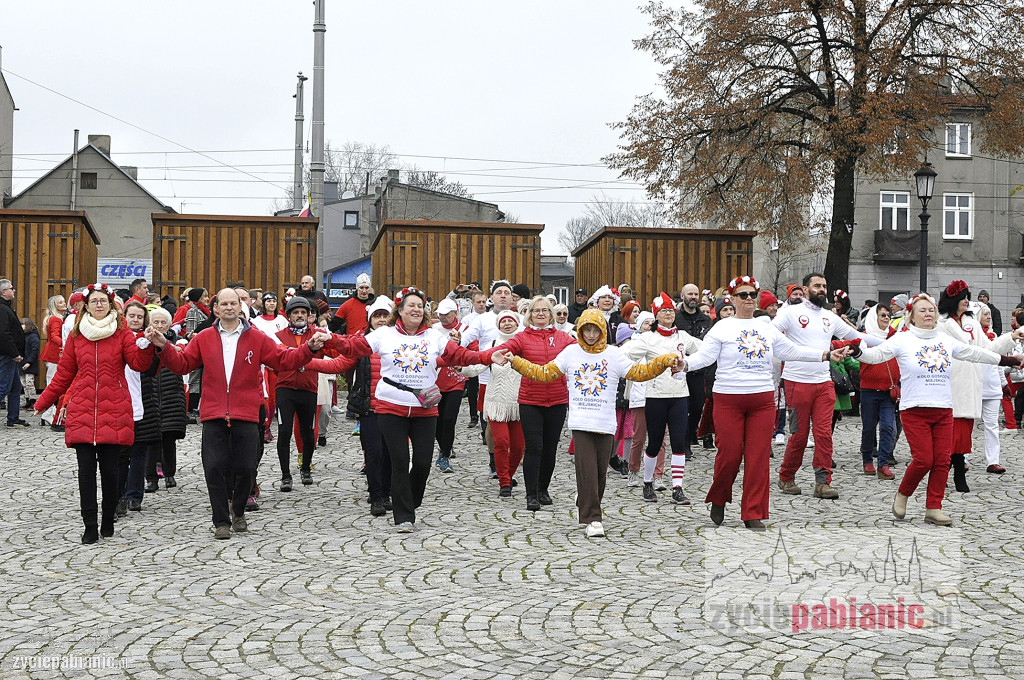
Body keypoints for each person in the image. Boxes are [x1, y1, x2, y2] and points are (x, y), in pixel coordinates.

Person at [144, 288, 328, 539]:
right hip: (214, 413)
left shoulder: (258, 338)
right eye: (224, 303)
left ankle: (238, 509)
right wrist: (164, 345)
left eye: (234, 303)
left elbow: (284, 360)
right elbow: (182, 363)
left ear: (241, 308)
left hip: (246, 411)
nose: (229, 307)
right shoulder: (204, 337)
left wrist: (309, 349)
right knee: (214, 467)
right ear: (216, 308)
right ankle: (221, 520)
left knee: (246, 467)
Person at [317, 287, 500, 531]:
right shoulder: (384, 335)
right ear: (400, 311)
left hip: (425, 409)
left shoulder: (434, 337)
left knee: (423, 464)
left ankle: (410, 500)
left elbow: (461, 355)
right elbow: (353, 348)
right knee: (400, 461)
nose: (415, 309)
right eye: (410, 305)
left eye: (419, 306)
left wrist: (489, 356)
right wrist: (332, 339)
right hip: (391, 407)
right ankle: (404, 516)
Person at [679, 276, 846, 529]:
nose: (748, 299)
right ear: (733, 299)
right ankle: (719, 497)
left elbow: (791, 350)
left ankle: (753, 512)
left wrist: (824, 354)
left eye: (752, 295)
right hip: (729, 398)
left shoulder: (766, 326)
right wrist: (686, 364)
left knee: (758, 458)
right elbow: (705, 356)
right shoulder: (723, 327)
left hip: (762, 400)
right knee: (730, 456)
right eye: (743, 295)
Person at [503, 308, 680, 537]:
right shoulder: (570, 353)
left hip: (605, 423)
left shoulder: (614, 354)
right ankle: (593, 519)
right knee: (586, 469)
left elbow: (639, 372)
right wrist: (516, 362)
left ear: (602, 331)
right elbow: (544, 373)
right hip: (581, 422)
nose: (590, 335)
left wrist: (664, 361)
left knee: (599, 474)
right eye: (586, 330)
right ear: (580, 330)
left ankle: (586, 498)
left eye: (595, 330)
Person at [854, 293, 1022, 526]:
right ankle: (902, 494)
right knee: (923, 459)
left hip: (943, 409)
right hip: (914, 409)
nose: (928, 314)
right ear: (911, 316)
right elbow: (876, 355)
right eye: (922, 310)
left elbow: (975, 353)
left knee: (943, 460)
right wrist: (857, 352)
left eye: (931, 310)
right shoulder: (903, 339)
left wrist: (1007, 360)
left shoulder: (944, 340)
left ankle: (934, 507)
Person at [33, 284, 155, 543]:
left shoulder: (122, 335)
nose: (99, 305)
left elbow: (138, 364)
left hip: (115, 409)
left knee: (111, 473)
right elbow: (64, 375)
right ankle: (89, 524)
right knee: (86, 473)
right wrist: (43, 402)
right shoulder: (77, 337)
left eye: (103, 301)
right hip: (83, 410)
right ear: (85, 306)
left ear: (111, 305)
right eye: (94, 301)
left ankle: (108, 517)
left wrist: (145, 346)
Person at [772, 273, 881, 500]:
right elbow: (771, 336)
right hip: (797, 381)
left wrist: (895, 342)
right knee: (800, 435)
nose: (822, 289)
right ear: (806, 288)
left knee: (823, 434)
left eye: (824, 286)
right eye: (817, 286)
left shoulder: (829, 317)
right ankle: (786, 476)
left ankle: (823, 482)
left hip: (823, 382)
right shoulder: (789, 313)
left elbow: (856, 336)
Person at [488, 296, 576, 511]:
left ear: (551, 314)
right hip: (530, 401)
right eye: (536, 310)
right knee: (534, 447)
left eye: (545, 310)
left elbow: (584, 352)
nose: (540, 314)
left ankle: (543, 488)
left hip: (556, 400)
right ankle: (531, 493)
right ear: (529, 315)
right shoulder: (521, 338)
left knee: (550, 449)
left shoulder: (563, 338)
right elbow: (503, 349)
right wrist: (483, 356)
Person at [936, 280, 1017, 492]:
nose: (966, 301)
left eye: (967, 297)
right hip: (949, 382)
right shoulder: (941, 323)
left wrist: (1011, 337)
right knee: (946, 435)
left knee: (963, 435)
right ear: (953, 300)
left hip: (970, 383)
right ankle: (943, 474)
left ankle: (959, 474)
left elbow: (988, 348)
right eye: (962, 297)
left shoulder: (971, 323)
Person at [626, 292, 702, 504]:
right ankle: (648, 482)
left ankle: (677, 486)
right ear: (656, 315)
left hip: (679, 396)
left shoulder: (683, 337)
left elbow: (705, 351)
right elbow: (626, 354)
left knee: (678, 443)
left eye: (671, 310)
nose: (668, 314)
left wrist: (689, 363)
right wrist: (640, 371)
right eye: (664, 311)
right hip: (655, 396)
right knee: (654, 442)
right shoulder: (648, 338)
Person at [461, 310, 525, 496]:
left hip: (518, 403)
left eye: (510, 321)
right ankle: (504, 482)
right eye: (503, 321)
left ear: (516, 324)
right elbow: (476, 365)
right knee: (502, 441)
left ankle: (509, 474)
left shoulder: (523, 345)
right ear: (498, 325)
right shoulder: (492, 344)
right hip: (496, 402)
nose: (507, 324)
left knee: (519, 446)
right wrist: (460, 367)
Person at [274, 296, 323, 490]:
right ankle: (285, 475)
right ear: (289, 316)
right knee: (284, 431)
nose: (300, 315)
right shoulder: (278, 336)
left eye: (303, 312)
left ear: (309, 315)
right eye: (296, 312)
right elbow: (274, 360)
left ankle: (306, 468)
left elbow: (326, 356)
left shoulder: (318, 335)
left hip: (308, 389)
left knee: (307, 432)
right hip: (285, 388)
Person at [143, 308, 188, 508]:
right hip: (151, 395)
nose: (160, 326)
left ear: (169, 325)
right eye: (156, 322)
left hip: (170, 395)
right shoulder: (143, 344)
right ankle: (151, 477)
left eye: (163, 323)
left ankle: (169, 474)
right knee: (151, 440)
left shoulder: (177, 344)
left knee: (169, 439)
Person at [858, 304, 899, 480]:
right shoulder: (864, 338)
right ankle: (867, 459)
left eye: (887, 315)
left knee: (888, 427)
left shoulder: (895, 337)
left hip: (888, 391)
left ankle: (883, 463)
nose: (886, 318)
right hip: (868, 390)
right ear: (874, 318)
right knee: (868, 428)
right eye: (882, 315)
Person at [675, 283, 714, 452]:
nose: (693, 297)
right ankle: (684, 444)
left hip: (699, 371)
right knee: (683, 407)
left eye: (696, 294)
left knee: (698, 406)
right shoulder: (676, 318)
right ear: (683, 296)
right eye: (690, 294)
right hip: (680, 370)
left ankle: (691, 433)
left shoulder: (706, 319)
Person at [432, 298, 468, 473]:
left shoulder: (464, 330)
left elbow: (472, 350)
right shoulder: (433, 330)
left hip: (456, 381)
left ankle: (444, 456)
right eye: (441, 314)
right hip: (436, 381)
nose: (443, 317)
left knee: (449, 419)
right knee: (438, 421)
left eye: (447, 314)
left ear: (455, 313)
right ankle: (443, 447)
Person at [977, 303, 1007, 473]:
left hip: (993, 386)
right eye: (985, 314)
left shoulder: (994, 336)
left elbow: (1000, 362)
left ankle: (993, 461)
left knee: (992, 426)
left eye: (989, 314)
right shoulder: (972, 336)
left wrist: (1003, 384)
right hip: (976, 386)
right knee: (967, 426)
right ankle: (962, 458)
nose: (989, 317)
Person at [0, 279, 28, 428]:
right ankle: (12, 418)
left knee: (15, 388)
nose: (14, 291)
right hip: (7, 355)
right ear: (4, 292)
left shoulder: (7, 308)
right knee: (3, 387)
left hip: (11, 355)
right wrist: (14, 353)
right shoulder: (3, 309)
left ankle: (13, 418)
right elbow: (3, 334)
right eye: (11, 288)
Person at [38, 294, 67, 423]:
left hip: (52, 353)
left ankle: (48, 412)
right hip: (54, 354)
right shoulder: (56, 319)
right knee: (52, 384)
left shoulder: (53, 318)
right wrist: (66, 344)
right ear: (55, 306)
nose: (64, 304)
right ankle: (48, 413)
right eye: (61, 302)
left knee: (52, 383)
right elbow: (55, 336)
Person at [19, 317, 40, 409]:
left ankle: (32, 401)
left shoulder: (33, 336)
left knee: (29, 383)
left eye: (22, 324)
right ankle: (27, 400)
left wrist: (29, 362)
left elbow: (34, 350)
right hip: (22, 363)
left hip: (29, 363)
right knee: (24, 383)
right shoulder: (24, 336)